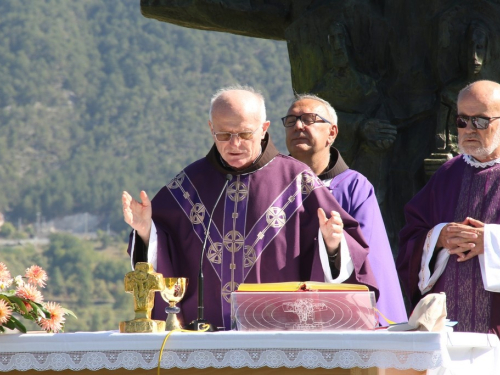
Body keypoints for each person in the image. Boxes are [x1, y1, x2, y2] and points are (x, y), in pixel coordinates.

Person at [122, 86, 378, 330]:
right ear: (211, 128)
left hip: (279, 337)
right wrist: (146, 231)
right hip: (203, 338)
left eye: (244, 134)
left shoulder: (299, 181)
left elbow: (349, 258)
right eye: (223, 135)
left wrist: (333, 245)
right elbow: (163, 255)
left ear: (264, 129)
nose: (234, 144)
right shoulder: (189, 185)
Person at [283, 94, 407, 326]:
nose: (298, 125)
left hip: (343, 315)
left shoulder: (354, 187)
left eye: (309, 119)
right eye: (291, 120)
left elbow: (369, 256)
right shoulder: (275, 187)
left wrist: (334, 247)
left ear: (332, 132)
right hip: (283, 311)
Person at [397, 80, 500, 336]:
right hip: (445, 328)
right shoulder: (447, 173)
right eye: (462, 120)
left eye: (480, 121)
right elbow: (411, 236)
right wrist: (438, 237)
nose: (468, 129)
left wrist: (489, 242)